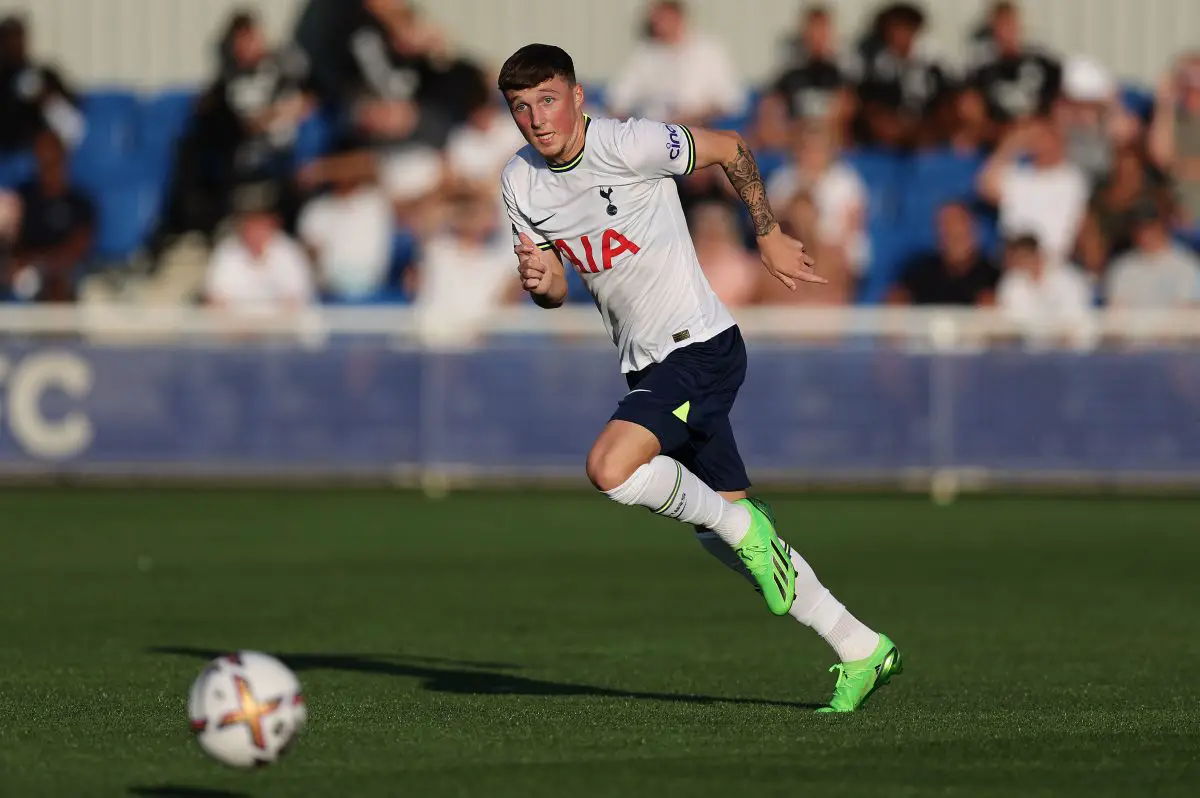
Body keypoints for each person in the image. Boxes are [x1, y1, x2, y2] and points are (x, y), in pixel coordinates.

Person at [497, 43, 901, 713]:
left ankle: (747, 532)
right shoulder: (519, 181)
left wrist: (765, 231)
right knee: (730, 537)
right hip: (649, 365)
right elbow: (552, 284)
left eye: (546, 100)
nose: (536, 118)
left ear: (576, 98)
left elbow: (731, 146)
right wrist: (543, 284)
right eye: (520, 108)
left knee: (612, 469)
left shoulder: (629, 143)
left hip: (701, 348)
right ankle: (860, 646)